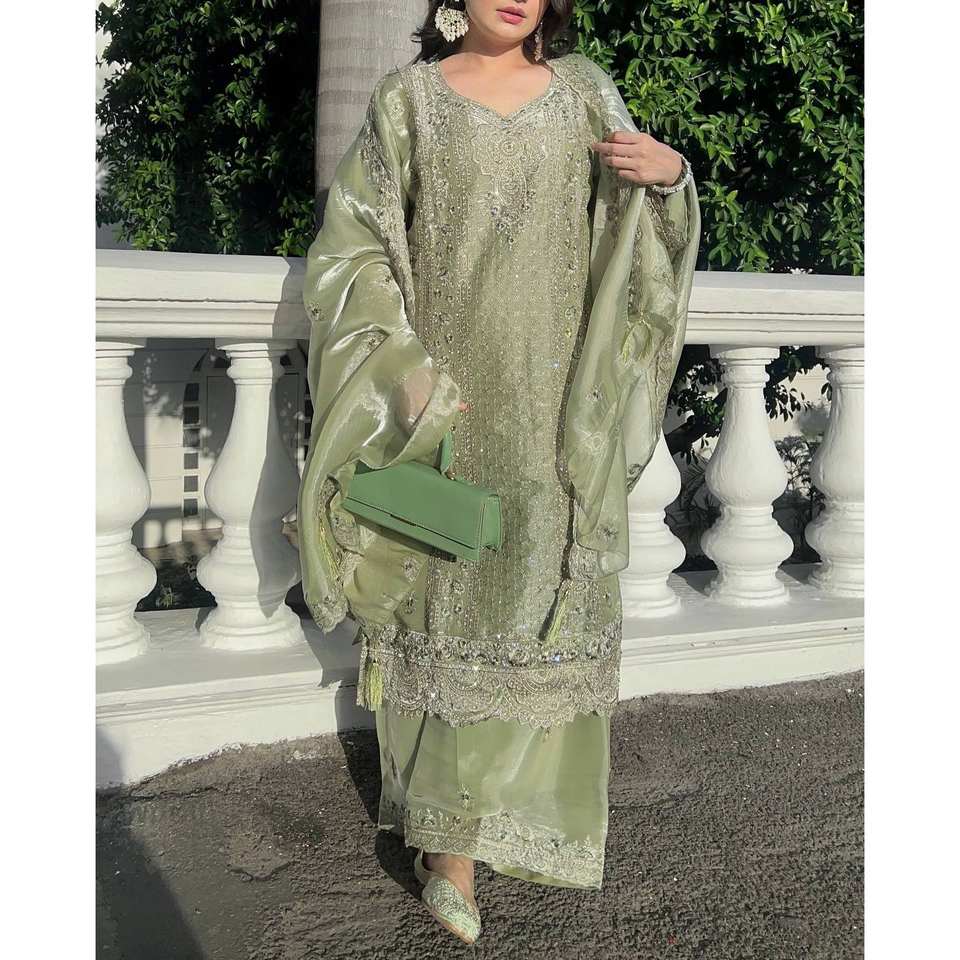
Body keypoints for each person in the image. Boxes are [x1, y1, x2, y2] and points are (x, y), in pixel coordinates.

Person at [297, 0, 700, 944]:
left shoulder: (585, 93)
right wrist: (399, 366)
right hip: (449, 403)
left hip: (561, 409)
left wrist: (673, 179)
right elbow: (353, 245)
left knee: (538, 605)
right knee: (449, 601)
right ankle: (448, 846)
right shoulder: (407, 100)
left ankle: (520, 815)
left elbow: (637, 241)